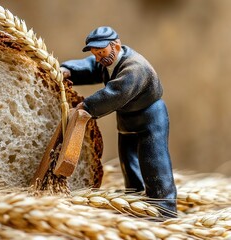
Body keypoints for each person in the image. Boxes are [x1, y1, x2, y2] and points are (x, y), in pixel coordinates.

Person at [61, 26, 177, 217]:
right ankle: (135, 198)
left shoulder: (135, 67)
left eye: (101, 52)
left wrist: (87, 106)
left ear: (116, 45)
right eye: (95, 53)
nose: (98, 58)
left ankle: (164, 207)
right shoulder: (108, 60)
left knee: (154, 160)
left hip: (150, 117)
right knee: (128, 159)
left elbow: (116, 93)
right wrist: (69, 70)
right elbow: (91, 67)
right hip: (127, 117)